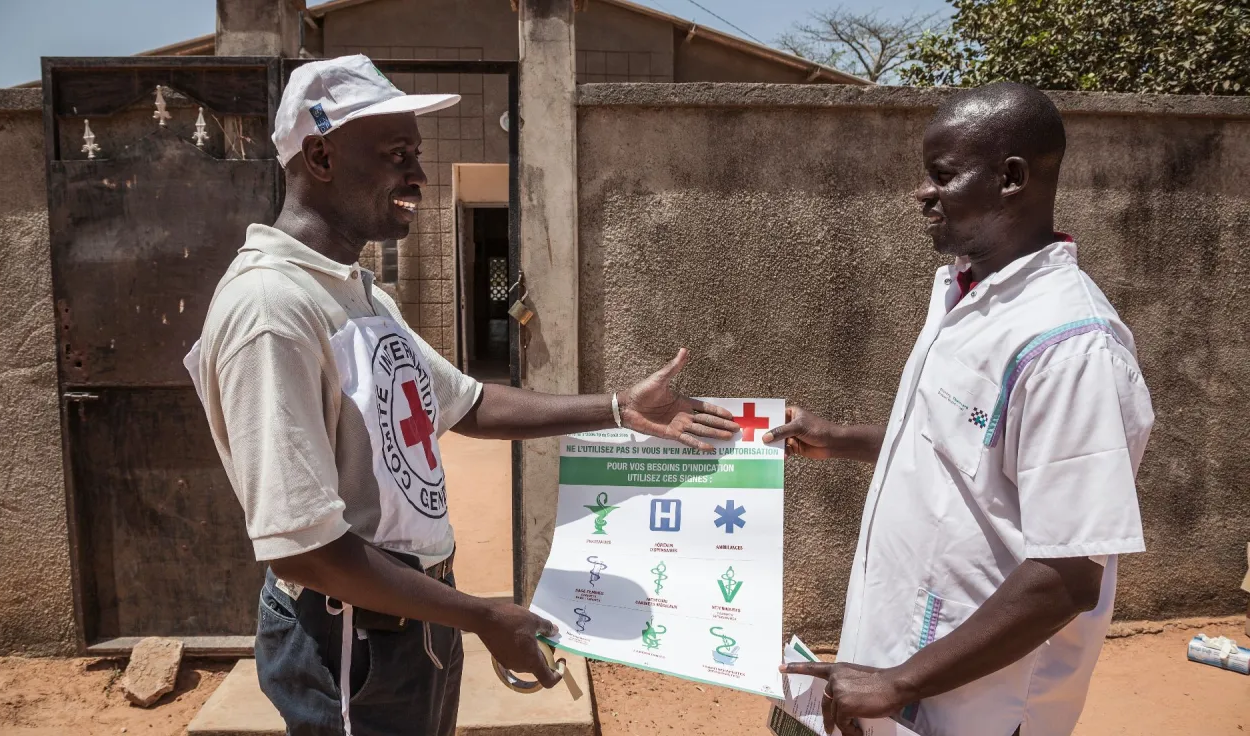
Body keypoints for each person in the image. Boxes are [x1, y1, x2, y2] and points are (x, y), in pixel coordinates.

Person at [184, 55, 739, 736]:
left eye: (415, 153)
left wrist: (620, 408)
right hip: (350, 641)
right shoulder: (273, 307)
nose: (418, 174)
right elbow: (299, 548)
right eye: (397, 154)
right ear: (321, 156)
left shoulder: (358, 293)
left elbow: (467, 403)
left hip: (410, 621)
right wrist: (480, 616)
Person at [767, 82, 1153, 736]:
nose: (922, 193)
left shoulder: (1070, 347)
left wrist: (901, 681)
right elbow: (959, 443)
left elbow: (1067, 577)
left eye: (942, 176)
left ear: (1011, 178)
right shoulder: (961, 289)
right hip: (900, 671)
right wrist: (840, 438)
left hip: (979, 705)